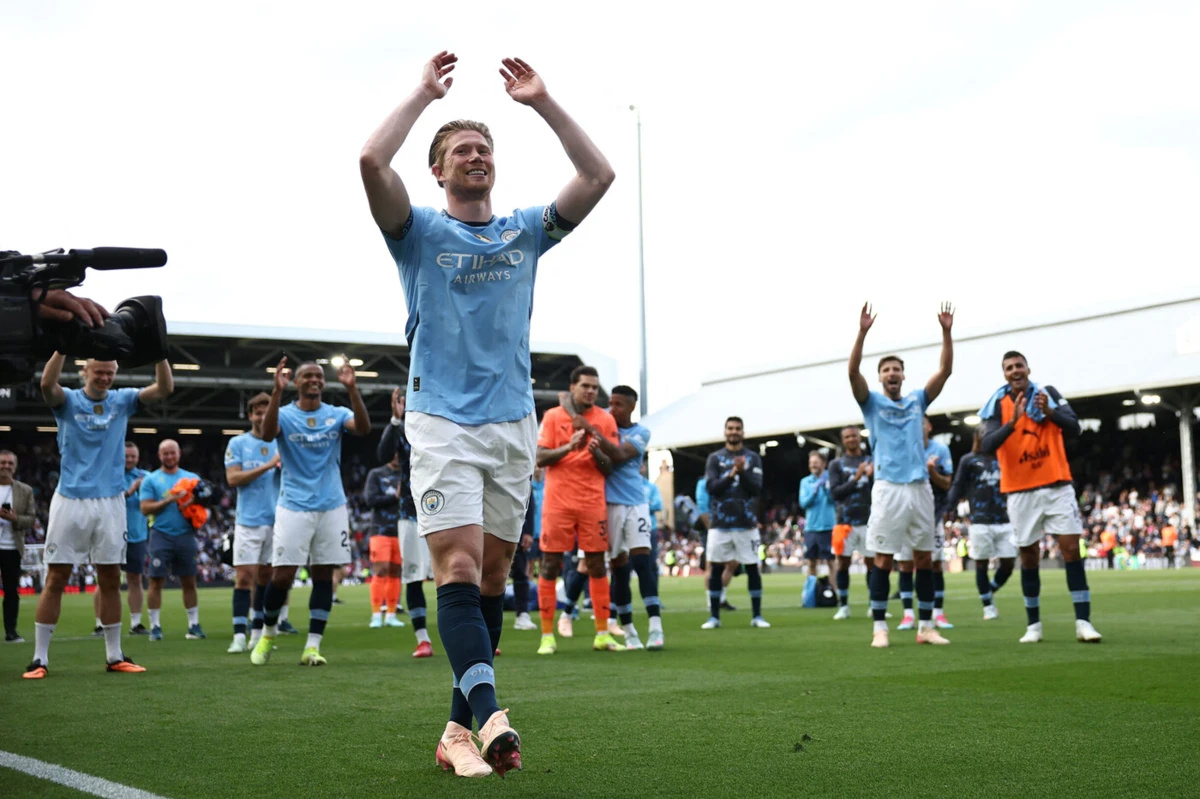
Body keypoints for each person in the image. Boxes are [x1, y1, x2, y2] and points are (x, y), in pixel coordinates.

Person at [360, 50, 613, 777]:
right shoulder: (417, 234)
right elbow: (371, 160)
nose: (476, 155)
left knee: (494, 580)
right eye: (460, 150)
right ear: (438, 171)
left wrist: (544, 102)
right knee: (460, 566)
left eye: (483, 148)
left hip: (512, 425)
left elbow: (598, 177)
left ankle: (455, 729)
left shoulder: (526, 230)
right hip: (440, 422)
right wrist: (419, 94)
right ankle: (493, 711)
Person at [24, 355, 172, 679]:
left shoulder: (123, 400)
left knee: (109, 578)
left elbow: (164, 387)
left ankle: (115, 655)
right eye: (99, 372)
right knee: (56, 578)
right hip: (70, 500)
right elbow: (47, 384)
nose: (105, 378)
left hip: (110, 502)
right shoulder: (68, 401)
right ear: (85, 371)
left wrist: (158, 352)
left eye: (110, 373)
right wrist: (61, 349)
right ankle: (39, 659)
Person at [251, 359, 370, 666]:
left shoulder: (336, 413)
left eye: (318, 375)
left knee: (323, 575)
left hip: (332, 505)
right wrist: (275, 392)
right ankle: (267, 634)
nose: (314, 380)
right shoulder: (286, 414)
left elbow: (364, 428)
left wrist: (352, 387)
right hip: (293, 506)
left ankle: (312, 646)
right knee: (282, 576)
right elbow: (266, 436)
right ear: (296, 382)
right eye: (307, 376)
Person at [849, 302, 954, 648]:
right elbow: (852, 374)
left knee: (924, 557)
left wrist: (946, 332)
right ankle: (880, 627)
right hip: (888, 488)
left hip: (920, 488)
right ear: (881, 377)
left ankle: (926, 626)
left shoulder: (916, 401)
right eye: (887, 370)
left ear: (904, 375)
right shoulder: (872, 404)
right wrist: (862, 333)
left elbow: (945, 372)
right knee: (884, 558)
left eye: (897, 369)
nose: (892, 374)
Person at [978, 351, 1101, 644]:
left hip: (1056, 485)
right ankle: (1034, 626)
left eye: (1019, 365)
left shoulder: (1049, 394)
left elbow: (1075, 427)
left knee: (1071, 550)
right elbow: (986, 443)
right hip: (1020, 491)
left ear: (1028, 368)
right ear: (1004, 374)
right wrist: (1013, 422)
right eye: (1009, 367)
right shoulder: (998, 403)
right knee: (1029, 556)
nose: (1015, 370)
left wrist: (1050, 413)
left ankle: (1083, 623)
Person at [535, 366, 624, 654]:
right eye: (585, 386)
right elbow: (540, 458)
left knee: (597, 564)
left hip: (592, 502)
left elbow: (610, 466)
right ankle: (547, 636)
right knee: (550, 564)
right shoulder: (552, 417)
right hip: (558, 502)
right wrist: (569, 447)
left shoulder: (605, 419)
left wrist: (596, 450)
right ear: (573, 387)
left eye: (595, 388)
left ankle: (602, 634)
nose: (590, 391)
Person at [377, 388, 441, 662]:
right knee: (414, 577)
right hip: (411, 513)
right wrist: (394, 420)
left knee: (460, 573)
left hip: (448, 511)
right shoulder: (404, 432)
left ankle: (477, 636)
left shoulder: (444, 428)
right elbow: (382, 454)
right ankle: (423, 640)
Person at [602, 385, 664, 651]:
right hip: (609, 505)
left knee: (642, 561)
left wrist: (594, 434)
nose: (612, 409)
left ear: (630, 407)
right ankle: (629, 632)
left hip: (636, 504)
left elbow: (617, 455)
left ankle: (655, 628)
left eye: (618, 404)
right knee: (618, 568)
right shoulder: (603, 422)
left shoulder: (641, 432)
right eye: (610, 403)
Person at [224, 393, 285, 653]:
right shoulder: (238, 443)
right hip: (248, 520)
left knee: (266, 578)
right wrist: (269, 465)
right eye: (258, 412)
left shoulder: (281, 443)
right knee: (244, 577)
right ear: (250, 415)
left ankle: (258, 633)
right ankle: (239, 634)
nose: (262, 416)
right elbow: (233, 479)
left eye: (267, 411)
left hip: (277, 520)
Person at [701, 417, 769, 630]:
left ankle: (757, 616)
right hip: (719, 524)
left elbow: (756, 489)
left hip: (747, 524)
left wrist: (742, 472)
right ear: (724, 432)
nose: (734, 432)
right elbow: (712, 488)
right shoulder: (715, 458)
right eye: (730, 428)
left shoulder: (753, 458)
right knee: (715, 569)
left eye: (738, 428)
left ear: (743, 432)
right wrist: (732, 474)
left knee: (752, 568)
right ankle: (714, 616)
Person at [945, 426, 1014, 620]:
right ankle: (988, 606)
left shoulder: (1003, 457)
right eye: (982, 434)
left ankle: (989, 590)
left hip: (1004, 519)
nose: (986, 438)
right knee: (981, 564)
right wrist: (947, 508)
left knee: (1008, 564)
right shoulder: (969, 460)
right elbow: (958, 485)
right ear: (976, 437)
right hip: (980, 520)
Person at [140, 439, 206, 641]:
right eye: (165, 454)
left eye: (173, 453)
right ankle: (155, 626)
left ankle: (193, 625)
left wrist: (196, 499)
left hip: (185, 534)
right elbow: (145, 508)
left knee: (189, 580)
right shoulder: (151, 480)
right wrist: (170, 499)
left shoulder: (191, 478)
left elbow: (205, 499)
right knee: (156, 581)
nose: (169, 457)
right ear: (160, 456)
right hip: (161, 535)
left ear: (179, 454)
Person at [896, 418, 955, 630]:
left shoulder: (940, 450)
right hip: (905, 514)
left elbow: (947, 484)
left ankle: (938, 613)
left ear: (929, 426)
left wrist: (931, 471)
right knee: (905, 564)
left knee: (935, 563)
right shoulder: (901, 448)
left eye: (921, 422)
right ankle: (908, 614)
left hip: (932, 516)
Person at [100, 443, 148, 635]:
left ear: (138, 457)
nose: (129, 459)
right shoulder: (110, 475)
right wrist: (130, 491)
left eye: (133, 456)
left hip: (137, 535)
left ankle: (136, 623)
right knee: (105, 578)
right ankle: (99, 624)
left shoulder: (147, 477)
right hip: (111, 534)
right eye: (126, 456)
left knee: (135, 579)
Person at [827, 427, 874, 619]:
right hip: (844, 522)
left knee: (872, 564)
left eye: (854, 435)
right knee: (843, 564)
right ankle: (843, 605)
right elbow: (835, 493)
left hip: (869, 519)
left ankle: (874, 604)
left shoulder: (872, 460)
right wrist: (856, 478)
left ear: (859, 437)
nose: (851, 439)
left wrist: (872, 478)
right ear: (842, 441)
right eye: (847, 437)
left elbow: (881, 488)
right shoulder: (836, 464)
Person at [364, 440, 407, 630]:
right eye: (394, 452)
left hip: (402, 529)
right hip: (380, 529)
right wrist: (394, 497)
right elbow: (370, 499)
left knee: (396, 572)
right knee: (380, 570)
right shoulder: (376, 474)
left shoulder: (407, 475)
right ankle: (376, 615)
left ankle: (390, 614)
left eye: (400, 452)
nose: (397, 456)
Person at [1, 450, 35, 643]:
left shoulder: (25, 490)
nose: (6, 466)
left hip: (12, 547)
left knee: (11, 592)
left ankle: (11, 631)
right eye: (2, 462)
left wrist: (15, 519)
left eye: (9, 463)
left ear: (15, 466)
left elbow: (31, 519)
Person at [798, 451, 836, 603]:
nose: (813, 465)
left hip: (828, 527)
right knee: (811, 562)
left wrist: (826, 489)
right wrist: (814, 492)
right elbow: (803, 503)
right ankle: (810, 596)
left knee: (831, 562)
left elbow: (835, 500)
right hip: (811, 528)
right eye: (811, 463)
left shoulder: (831, 479)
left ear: (824, 464)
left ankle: (835, 595)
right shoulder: (805, 482)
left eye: (816, 462)